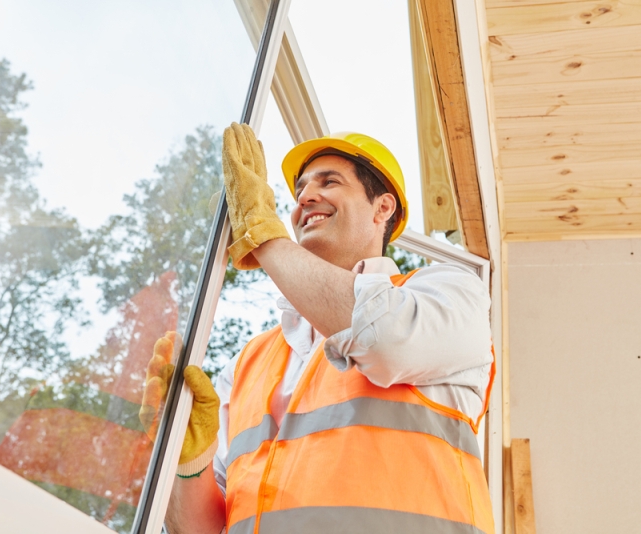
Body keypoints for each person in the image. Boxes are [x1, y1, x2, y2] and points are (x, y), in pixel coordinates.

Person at [141, 123, 496, 534]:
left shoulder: (446, 293)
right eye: (299, 191)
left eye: (330, 182)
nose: (306, 197)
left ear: (383, 208)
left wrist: (261, 234)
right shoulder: (246, 366)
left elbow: (384, 338)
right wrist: (187, 464)